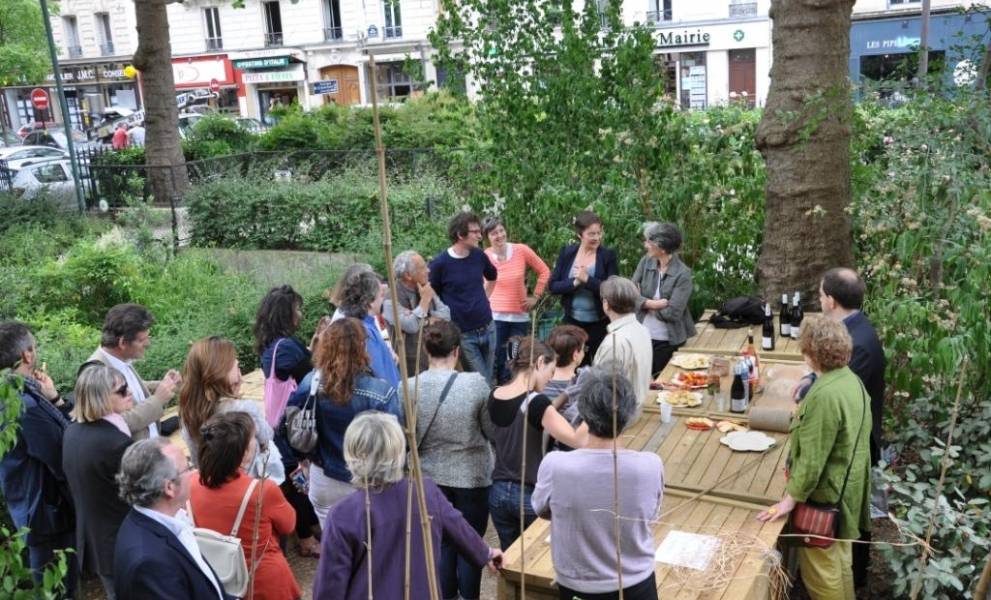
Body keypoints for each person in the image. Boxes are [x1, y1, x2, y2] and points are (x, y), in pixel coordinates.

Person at [313, 412, 503, 600]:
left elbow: (330, 585)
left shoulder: (344, 514)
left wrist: (485, 554)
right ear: (398, 451)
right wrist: (486, 554)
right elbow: (459, 528)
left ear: (352, 454)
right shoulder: (424, 492)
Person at [757, 317, 871, 600]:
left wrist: (789, 500)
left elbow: (812, 460)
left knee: (822, 577)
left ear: (810, 354)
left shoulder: (824, 396)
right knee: (840, 564)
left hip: (826, 500)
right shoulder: (851, 380)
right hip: (848, 493)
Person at [532, 366, 663, 600]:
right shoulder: (650, 465)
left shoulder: (555, 465)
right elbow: (651, 515)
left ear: (582, 412)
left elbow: (542, 510)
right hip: (637, 584)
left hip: (580, 586)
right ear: (629, 414)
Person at [287, 318, 404, 527]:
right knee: (372, 548)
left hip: (324, 478)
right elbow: (396, 441)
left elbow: (290, 421)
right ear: (362, 347)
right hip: (367, 480)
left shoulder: (310, 384)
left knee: (336, 547)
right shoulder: (380, 392)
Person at [413, 321, 493, 600]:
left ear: (426, 350)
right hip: (471, 476)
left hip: (429, 479)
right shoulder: (476, 385)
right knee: (471, 543)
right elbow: (490, 430)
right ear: (457, 351)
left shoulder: (408, 387)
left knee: (442, 544)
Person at [819, 267, 886, 589]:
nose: (818, 301)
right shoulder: (856, 327)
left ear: (831, 301)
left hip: (857, 441)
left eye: (820, 295)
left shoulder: (856, 342)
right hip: (858, 434)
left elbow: (841, 395)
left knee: (852, 510)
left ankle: (855, 577)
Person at [487, 336, 588, 550]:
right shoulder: (536, 402)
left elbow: (534, 413)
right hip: (527, 495)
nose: (550, 380)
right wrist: (592, 402)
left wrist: (565, 396)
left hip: (497, 493)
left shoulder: (494, 394)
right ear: (539, 362)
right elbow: (578, 440)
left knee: (510, 561)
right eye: (550, 373)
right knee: (538, 557)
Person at [189, 412, 301, 600]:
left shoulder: (189, 483)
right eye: (252, 439)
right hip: (263, 581)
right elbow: (289, 525)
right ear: (243, 455)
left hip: (221, 578)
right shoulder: (262, 491)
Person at [0, 321, 76, 594]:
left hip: (29, 509)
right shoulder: (25, 405)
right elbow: (61, 456)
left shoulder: (13, 395)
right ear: (27, 356)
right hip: (47, 516)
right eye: (35, 346)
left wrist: (53, 398)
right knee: (58, 589)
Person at [254, 284, 322, 557]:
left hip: (278, 423)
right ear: (286, 313)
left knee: (296, 480)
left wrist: (315, 342)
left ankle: (310, 527)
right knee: (299, 482)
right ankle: (306, 538)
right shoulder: (287, 348)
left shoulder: (270, 346)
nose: (301, 314)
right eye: (297, 308)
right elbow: (312, 375)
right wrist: (321, 346)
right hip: (292, 425)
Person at [114, 438, 228, 599]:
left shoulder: (163, 521)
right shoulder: (149, 564)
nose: (194, 473)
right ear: (169, 487)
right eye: (188, 468)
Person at [63, 364, 136, 598]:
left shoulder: (72, 433)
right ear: (103, 398)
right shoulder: (115, 443)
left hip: (95, 539)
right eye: (122, 390)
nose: (130, 393)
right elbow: (142, 493)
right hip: (122, 541)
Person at [178, 336, 284, 484]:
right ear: (220, 372)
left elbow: (198, 462)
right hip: (251, 487)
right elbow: (267, 437)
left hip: (218, 489)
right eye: (236, 366)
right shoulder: (244, 410)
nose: (239, 372)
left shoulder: (188, 416)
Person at [88, 303, 181, 440]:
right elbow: (114, 424)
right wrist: (157, 400)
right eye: (142, 339)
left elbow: (135, 389)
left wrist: (166, 385)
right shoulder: (95, 373)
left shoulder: (121, 359)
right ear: (122, 343)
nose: (148, 343)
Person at [429, 211, 498, 383]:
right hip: (464, 334)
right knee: (481, 381)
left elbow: (492, 276)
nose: (479, 236)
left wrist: (485, 298)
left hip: (488, 327)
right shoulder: (440, 264)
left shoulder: (479, 256)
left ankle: (484, 409)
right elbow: (432, 294)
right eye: (475, 232)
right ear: (460, 235)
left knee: (489, 377)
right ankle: (485, 410)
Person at [482, 216, 551, 384]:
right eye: (493, 233)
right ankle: (501, 394)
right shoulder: (484, 256)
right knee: (498, 358)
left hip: (519, 317)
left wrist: (535, 296)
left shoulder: (521, 250)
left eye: (501, 230)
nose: (499, 235)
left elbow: (544, 271)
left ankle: (515, 392)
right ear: (487, 238)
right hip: (496, 317)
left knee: (516, 356)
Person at [548, 210, 619, 365]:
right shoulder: (567, 253)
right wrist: (575, 283)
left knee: (601, 366)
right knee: (573, 365)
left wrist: (587, 280)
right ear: (580, 235)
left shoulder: (608, 255)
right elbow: (553, 286)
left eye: (599, 233)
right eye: (591, 234)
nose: (597, 238)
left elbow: (612, 290)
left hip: (599, 323)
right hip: (572, 322)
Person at [631, 222, 697, 376]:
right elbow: (630, 292)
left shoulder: (683, 274)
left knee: (659, 382)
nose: (645, 245)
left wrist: (641, 304)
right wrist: (652, 303)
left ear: (661, 247)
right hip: (641, 334)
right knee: (640, 379)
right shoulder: (646, 261)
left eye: (648, 241)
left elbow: (673, 313)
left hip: (667, 340)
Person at [383, 250, 451, 376]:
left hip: (432, 357)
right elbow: (411, 326)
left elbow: (446, 314)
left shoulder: (425, 287)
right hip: (409, 365)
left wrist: (417, 316)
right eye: (423, 267)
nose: (428, 270)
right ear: (408, 275)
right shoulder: (390, 298)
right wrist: (425, 302)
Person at [593, 276, 654, 409]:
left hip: (619, 420)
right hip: (638, 408)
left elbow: (602, 394)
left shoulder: (614, 343)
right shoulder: (643, 330)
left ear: (606, 304)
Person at [337, 268, 401, 387]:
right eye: (381, 296)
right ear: (370, 302)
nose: (383, 300)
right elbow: (380, 377)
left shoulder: (355, 324)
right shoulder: (365, 332)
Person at [543, 324, 589, 425]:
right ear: (575, 355)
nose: (584, 353)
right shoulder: (581, 384)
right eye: (583, 349)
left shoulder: (540, 382)